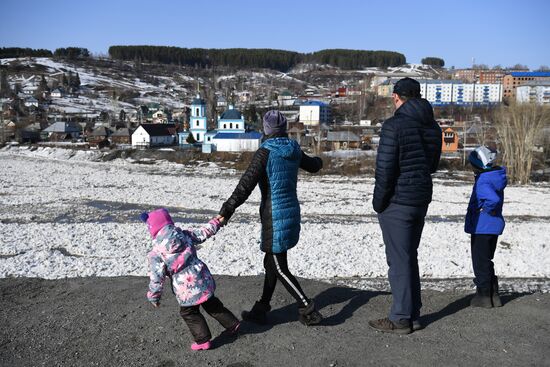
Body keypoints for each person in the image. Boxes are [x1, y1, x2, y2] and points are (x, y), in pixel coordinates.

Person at [218, 110, 323, 326]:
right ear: (283, 128)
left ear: (266, 130)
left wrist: (227, 210)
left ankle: (308, 308)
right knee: (271, 263)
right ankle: (261, 309)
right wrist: (320, 161)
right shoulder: (293, 148)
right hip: (291, 210)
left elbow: (244, 186)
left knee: (279, 266)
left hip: (274, 216)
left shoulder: (265, 152)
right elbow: (313, 166)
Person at [369, 77, 442, 334]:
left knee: (399, 260)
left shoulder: (393, 126)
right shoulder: (433, 126)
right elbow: (432, 165)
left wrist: (379, 203)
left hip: (397, 201)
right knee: (409, 256)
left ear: (396, 98)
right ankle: (414, 314)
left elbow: (385, 169)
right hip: (421, 197)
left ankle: (401, 318)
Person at [141, 208, 239, 351]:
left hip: (185, 288)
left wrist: (154, 296)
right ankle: (232, 324)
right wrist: (216, 222)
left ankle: (202, 340)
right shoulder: (183, 234)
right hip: (201, 277)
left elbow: (157, 277)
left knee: (189, 312)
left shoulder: (156, 253)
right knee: (211, 303)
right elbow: (203, 232)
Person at [465, 146, 507, 308]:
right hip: (492, 226)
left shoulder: (484, 180)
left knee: (480, 261)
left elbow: (493, 200)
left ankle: (483, 296)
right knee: (487, 260)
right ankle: (494, 295)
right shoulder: (494, 176)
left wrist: (486, 210)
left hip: (482, 226)